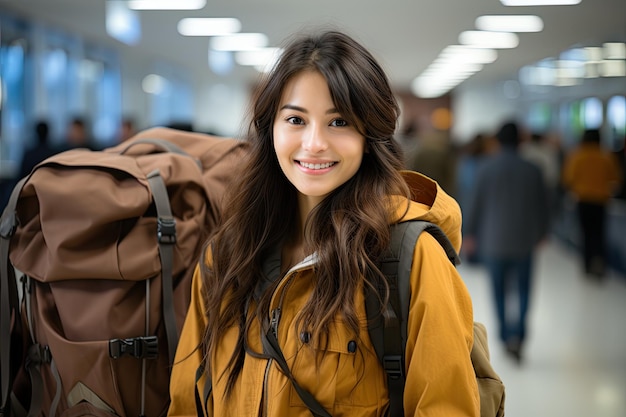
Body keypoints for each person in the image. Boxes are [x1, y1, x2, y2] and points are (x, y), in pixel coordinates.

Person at [168, 30, 479, 416]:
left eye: (339, 122)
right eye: (296, 119)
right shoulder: (228, 255)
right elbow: (186, 400)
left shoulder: (410, 259)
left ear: (370, 136)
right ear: (271, 129)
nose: (314, 143)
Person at [464, 121, 549, 364]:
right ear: (521, 141)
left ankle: (504, 336)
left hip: (493, 241)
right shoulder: (533, 169)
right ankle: (519, 337)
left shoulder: (485, 168)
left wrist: (469, 233)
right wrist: (542, 232)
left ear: (497, 141)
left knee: (499, 291)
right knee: (523, 290)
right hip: (525, 240)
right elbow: (543, 205)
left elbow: (475, 203)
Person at [561, 128, 622, 279]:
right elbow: (616, 178)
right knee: (599, 234)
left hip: (583, 200)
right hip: (601, 200)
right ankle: (600, 264)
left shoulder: (577, 156)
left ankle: (587, 265)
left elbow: (568, 178)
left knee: (585, 233)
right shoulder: (606, 156)